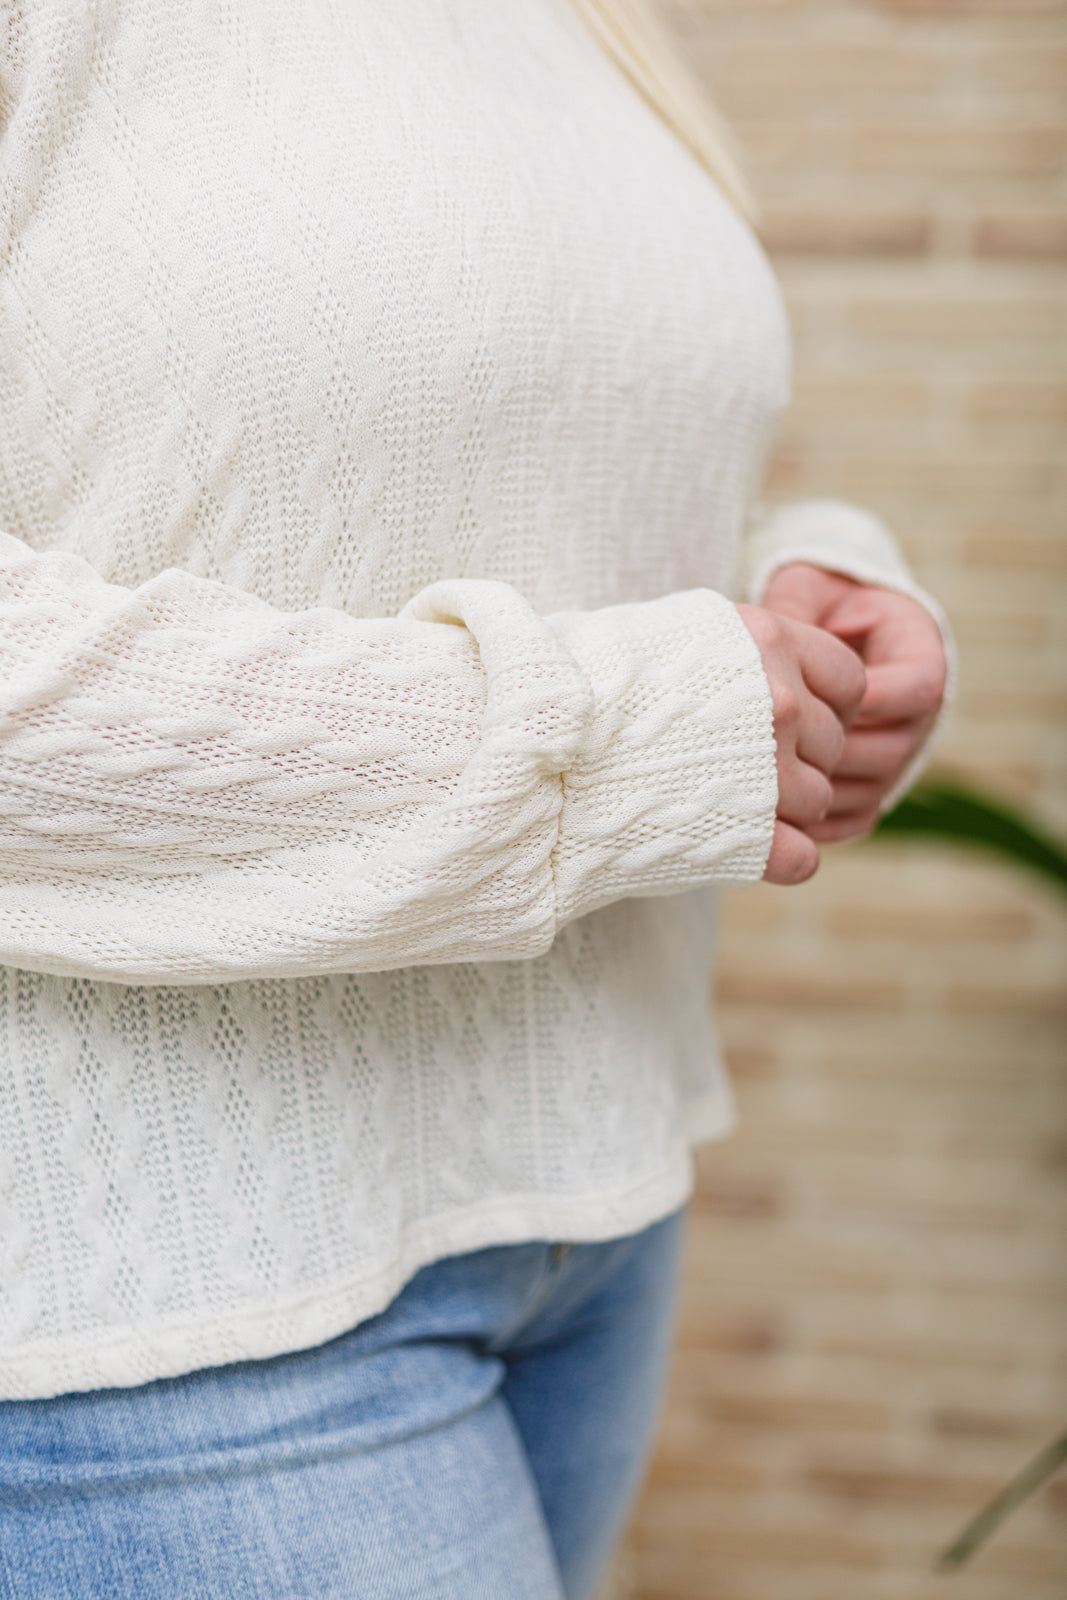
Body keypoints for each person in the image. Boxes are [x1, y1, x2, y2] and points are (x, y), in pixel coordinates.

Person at [0, 2, 950, 1596]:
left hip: (586, 1207)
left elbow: (493, 465)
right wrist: (616, 734)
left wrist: (813, 596)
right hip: (179, 1309)